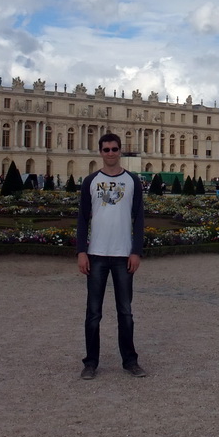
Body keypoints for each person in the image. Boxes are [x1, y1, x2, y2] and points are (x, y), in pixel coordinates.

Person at [76, 132, 146, 380]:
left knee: (125, 312)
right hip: (95, 255)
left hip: (122, 255)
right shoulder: (90, 181)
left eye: (114, 149)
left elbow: (139, 220)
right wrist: (81, 251)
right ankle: (90, 362)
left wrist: (136, 251)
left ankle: (130, 361)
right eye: (106, 149)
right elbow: (83, 219)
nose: (110, 153)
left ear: (120, 150)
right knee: (93, 313)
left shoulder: (133, 181)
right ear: (100, 152)